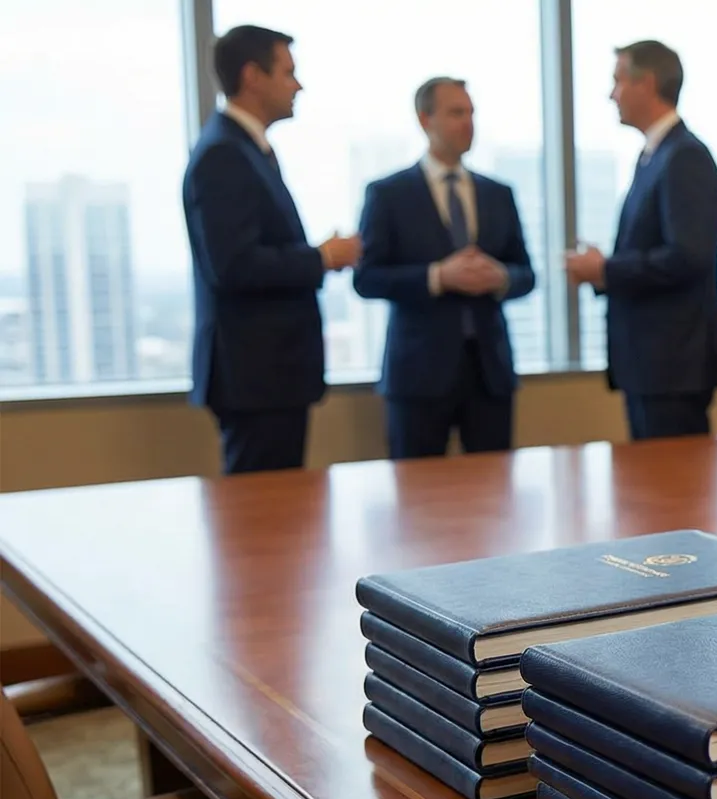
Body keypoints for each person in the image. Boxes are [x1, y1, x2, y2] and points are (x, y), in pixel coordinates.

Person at [183, 25, 359, 474]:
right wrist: (322, 257)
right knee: (260, 525)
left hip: (270, 376)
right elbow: (234, 265)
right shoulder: (224, 154)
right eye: (288, 72)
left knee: (279, 521)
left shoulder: (247, 149)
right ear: (252, 76)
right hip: (255, 377)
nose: (298, 85)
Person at [353, 77, 535, 459]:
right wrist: (437, 276)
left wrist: (501, 278)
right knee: (417, 500)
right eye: (456, 113)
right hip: (418, 375)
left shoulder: (498, 194)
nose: (467, 123)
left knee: (494, 494)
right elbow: (366, 278)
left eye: (471, 113)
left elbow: (525, 274)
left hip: (489, 373)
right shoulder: (388, 194)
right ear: (425, 119)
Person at [564, 40, 717, 440]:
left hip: (672, 365)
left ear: (647, 83)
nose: (611, 94)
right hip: (652, 364)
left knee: (674, 494)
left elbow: (688, 256)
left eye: (618, 81)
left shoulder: (684, 156)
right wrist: (606, 271)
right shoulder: (655, 156)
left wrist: (606, 269)